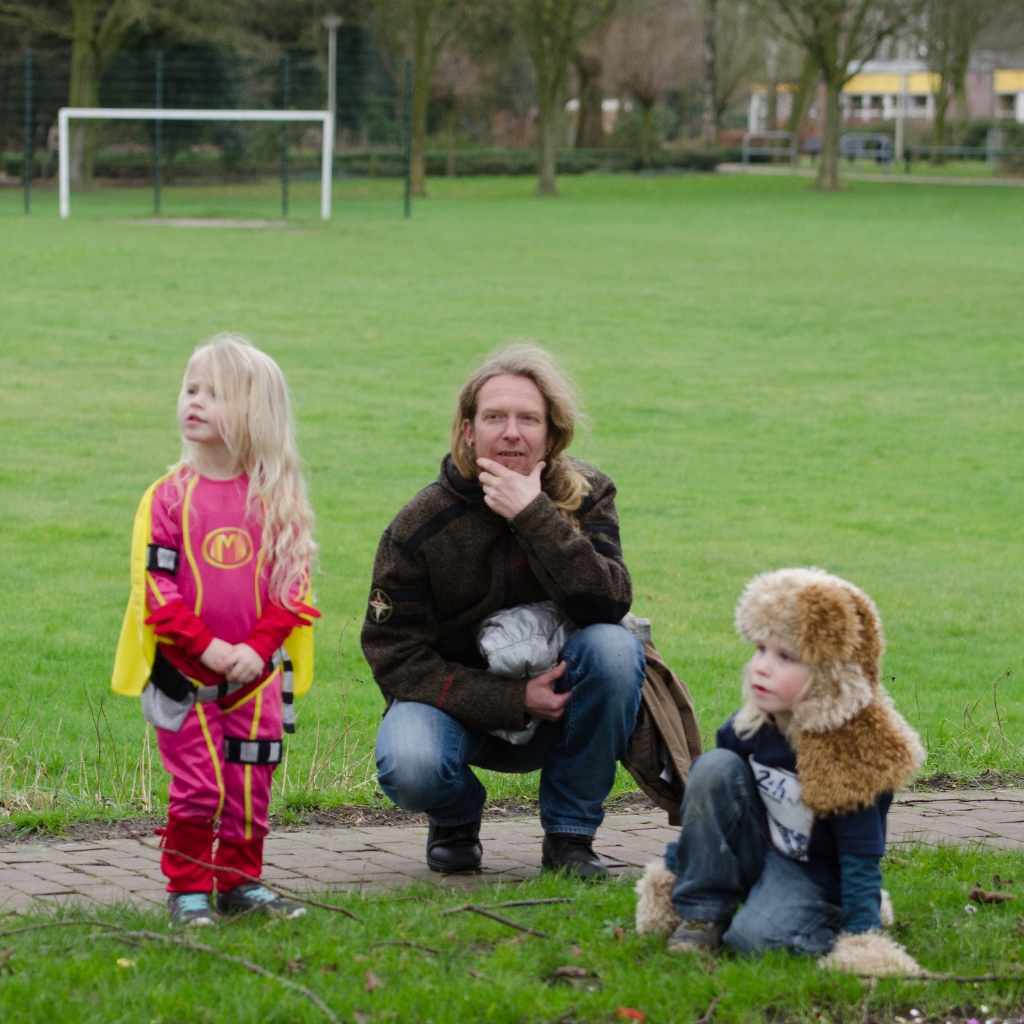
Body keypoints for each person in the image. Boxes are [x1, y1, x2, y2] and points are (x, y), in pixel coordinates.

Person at [362, 345, 645, 879]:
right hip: (460, 712)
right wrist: (512, 700)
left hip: (569, 705)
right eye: (494, 417)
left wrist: (535, 515)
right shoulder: (420, 525)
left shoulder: (589, 495)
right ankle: (455, 815)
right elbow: (393, 654)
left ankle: (570, 837)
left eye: (528, 419)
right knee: (410, 763)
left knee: (614, 648)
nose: (511, 432)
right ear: (469, 430)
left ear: (552, 433)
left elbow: (609, 601)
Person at [111, 335, 320, 927]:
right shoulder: (170, 498)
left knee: (250, 789)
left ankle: (239, 883)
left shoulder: (277, 499)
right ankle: (187, 889)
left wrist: (256, 650)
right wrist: (211, 648)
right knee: (200, 791)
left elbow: (293, 593)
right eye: (190, 388)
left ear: (256, 413)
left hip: (257, 681)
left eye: (215, 394)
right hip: (186, 678)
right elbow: (156, 591)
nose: (194, 402)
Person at [634, 568, 926, 972]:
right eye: (760, 649)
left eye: (785, 656)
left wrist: (864, 934)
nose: (762, 668)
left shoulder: (854, 756)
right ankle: (703, 912)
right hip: (762, 849)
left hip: (815, 875)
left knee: (753, 941)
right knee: (713, 766)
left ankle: (830, 918)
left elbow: (860, 856)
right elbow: (711, 815)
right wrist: (672, 869)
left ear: (829, 673)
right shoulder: (749, 728)